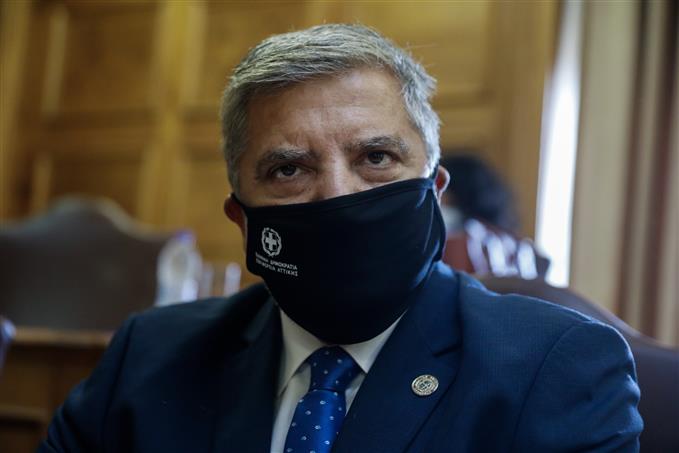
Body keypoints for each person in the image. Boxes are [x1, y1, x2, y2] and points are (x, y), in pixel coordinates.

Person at [39, 24, 642, 453]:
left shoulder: (557, 366)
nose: (337, 197)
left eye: (376, 158)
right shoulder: (149, 358)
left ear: (435, 192)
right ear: (242, 220)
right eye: (288, 169)